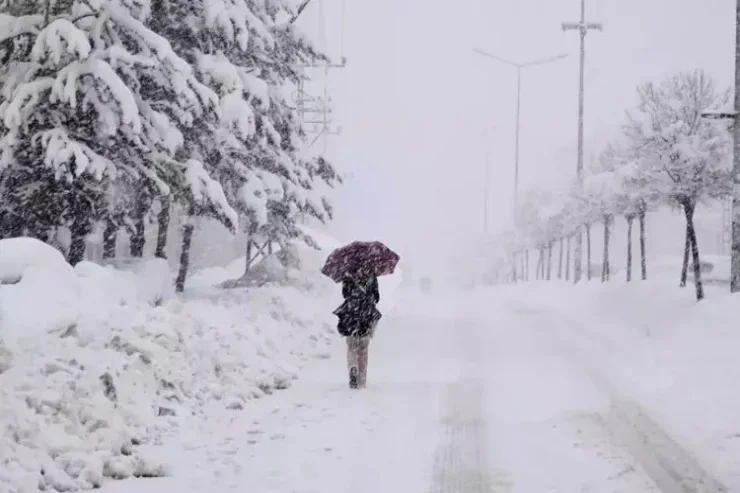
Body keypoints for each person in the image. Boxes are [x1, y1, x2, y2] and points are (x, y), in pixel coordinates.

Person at [333, 269, 381, 389]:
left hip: (351, 315)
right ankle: (362, 379)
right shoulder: (371, 274)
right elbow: (376, 296)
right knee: (363, 349)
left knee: (351, 347)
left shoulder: (348, 273)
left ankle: (352, 367)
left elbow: (345, 294)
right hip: (366, 314)